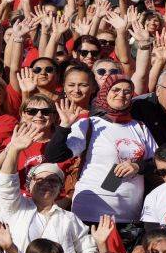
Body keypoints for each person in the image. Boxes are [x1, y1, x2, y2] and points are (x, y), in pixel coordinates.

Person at [44, 76, 157, 238]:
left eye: (127, 91)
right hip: (90, 212)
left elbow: (157, 162)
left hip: (127, 214)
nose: (121, 95)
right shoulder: (90, 124)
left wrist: (138, 167)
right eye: (116, 90)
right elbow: (54, 155)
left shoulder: (139, 127)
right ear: (105, 93)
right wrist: (64, 127)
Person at [0, 122, 96, 253]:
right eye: (39, 180)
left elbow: (89, 248)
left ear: (60, 188)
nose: (46, 184)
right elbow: (7, 183)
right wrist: (14, 149)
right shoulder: (16, 208)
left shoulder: (68, 218)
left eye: (53, 181)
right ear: (28, 186)